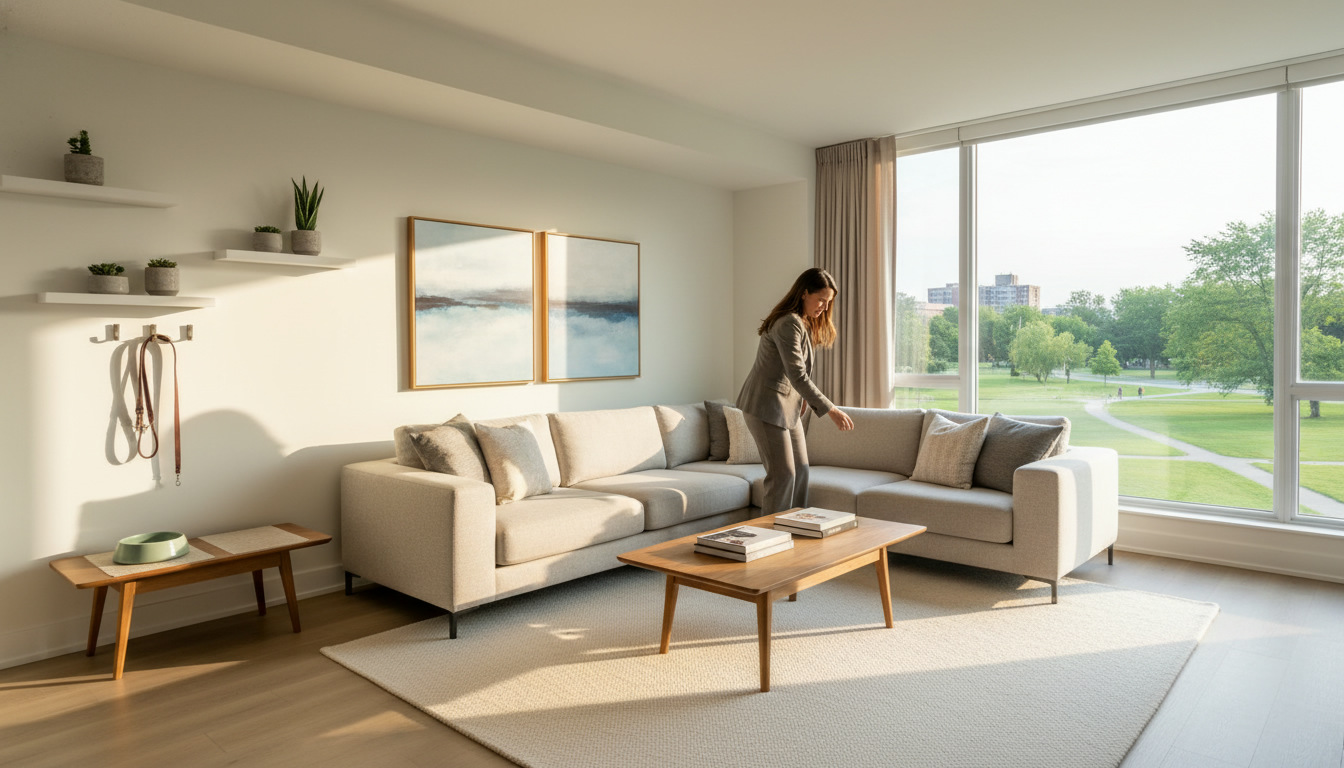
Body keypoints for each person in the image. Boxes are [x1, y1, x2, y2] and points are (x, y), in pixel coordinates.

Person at [737, 268, 854, 514]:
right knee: (783, 476)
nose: (824, 307)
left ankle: (796, 526)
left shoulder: (803, 322)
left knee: (801, 470)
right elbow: (797, 374)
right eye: (821, 300)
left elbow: (796, 375)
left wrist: (801, 400)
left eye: (828, 302)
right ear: (804, 293)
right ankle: (770, 534)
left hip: (786, 407)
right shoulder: (788, 323)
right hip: (765, 406)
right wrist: (831, 410)